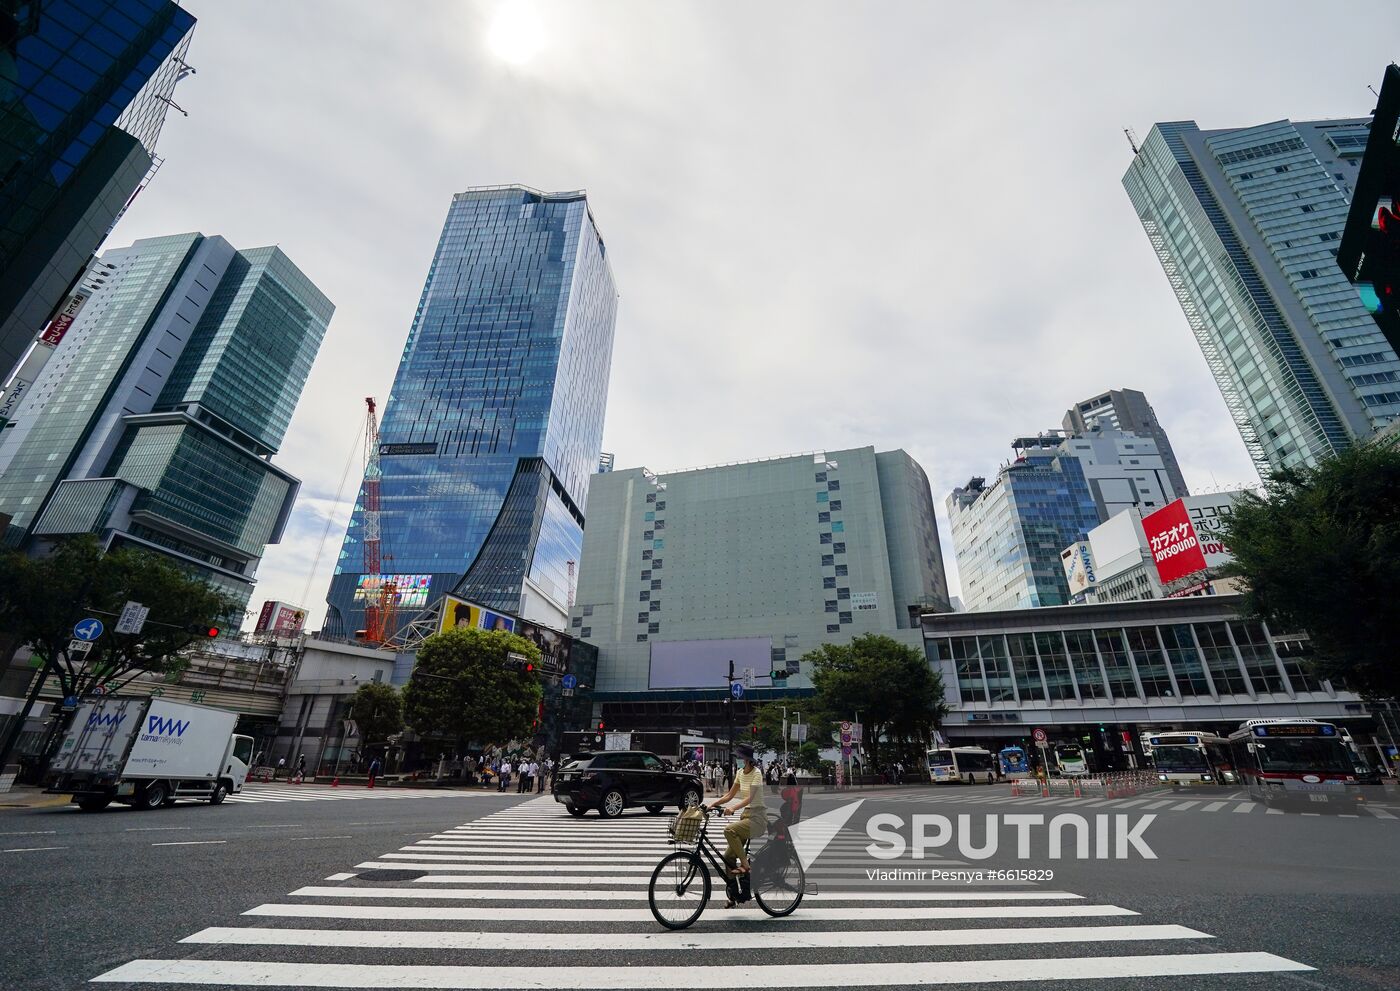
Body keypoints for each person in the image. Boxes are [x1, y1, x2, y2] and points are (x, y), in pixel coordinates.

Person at [708, 744, 765, 908]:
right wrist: (713, 804)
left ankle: (746, 866)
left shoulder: (757, 774)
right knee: (727, 857)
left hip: (757, 818)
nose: (738, 761)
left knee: (729, 830)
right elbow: (729, 795)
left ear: (747, 759)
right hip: (745, 817)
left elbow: (752, 798)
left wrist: (733, 808)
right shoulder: (740, 773)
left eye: (740, 758)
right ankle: (734, 895)